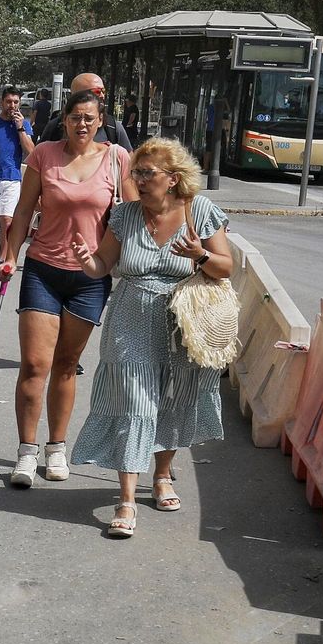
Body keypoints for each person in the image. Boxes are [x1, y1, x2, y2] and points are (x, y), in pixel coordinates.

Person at [67, 138, 233, 538]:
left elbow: (226, 267)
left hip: (182, 323)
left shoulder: (199, 210)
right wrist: (87, 261)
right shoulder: (125, 214)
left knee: (172, 399)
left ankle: (161, 475)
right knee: (134, 404)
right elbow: (104, 264)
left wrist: (200, 256)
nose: (139, 180)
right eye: (136, 173)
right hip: (130, 319)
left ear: (172, 178)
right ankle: (126, 500)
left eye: (147, 173)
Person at [0, 89, 137, 488]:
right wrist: (9, 255)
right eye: (75, 117)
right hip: (43, 269)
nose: (82, 124)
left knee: (66, 364)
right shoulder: (44, 154)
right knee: (34, 364)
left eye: (89, 118)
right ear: (64, 120)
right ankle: (26, 452)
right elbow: (24, 210)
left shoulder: (116, 158)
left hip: (91, 278)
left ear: (100, 122)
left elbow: (133, 217)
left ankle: (56, 447)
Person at [0, 86, 34, 266]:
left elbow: (31, 151)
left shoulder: (24, 125)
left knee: (7, 220)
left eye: (16, 102)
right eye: (9, 101)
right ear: (1, 102)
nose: (12, 105)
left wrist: (20, 128)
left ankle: (2, 258)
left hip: (12, 177)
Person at [39, 73, 133, 150]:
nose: (102, 96)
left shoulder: (112, 127)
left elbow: (129, 163)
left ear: (100, 121)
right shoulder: (55, 127)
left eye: (103, 91)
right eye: (96, 92)